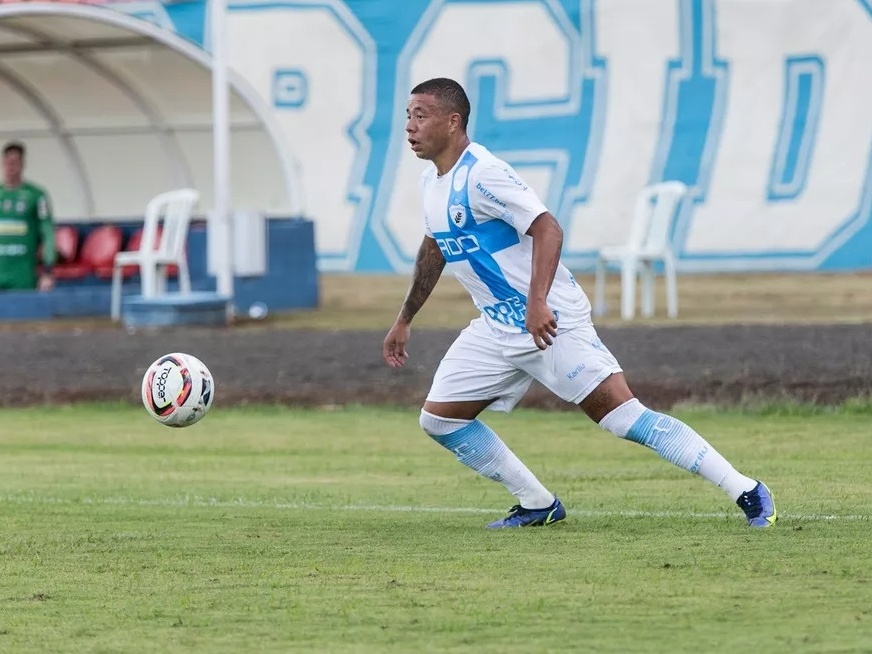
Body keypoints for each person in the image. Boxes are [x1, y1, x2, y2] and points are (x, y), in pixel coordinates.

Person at [382, 78, 776, 529]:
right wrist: (405, 317)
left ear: (453, 123)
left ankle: (746, 489)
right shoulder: (431, 183)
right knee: (440, 421)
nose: (410, 127)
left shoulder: (484, 173)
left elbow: (548, 228)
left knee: (624, 418)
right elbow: (434, 249)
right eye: (408, 116)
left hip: (549, 322)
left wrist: (537, 302)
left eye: (421, 115)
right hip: (495, 327)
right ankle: (537, 503)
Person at [0, 141, 55, 291]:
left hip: (23, 275)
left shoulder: (36, 196)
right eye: (7, 162)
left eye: (15, 162)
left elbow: (48, 234)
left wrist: (48, 272)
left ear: (22, 164)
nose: (10, 167)